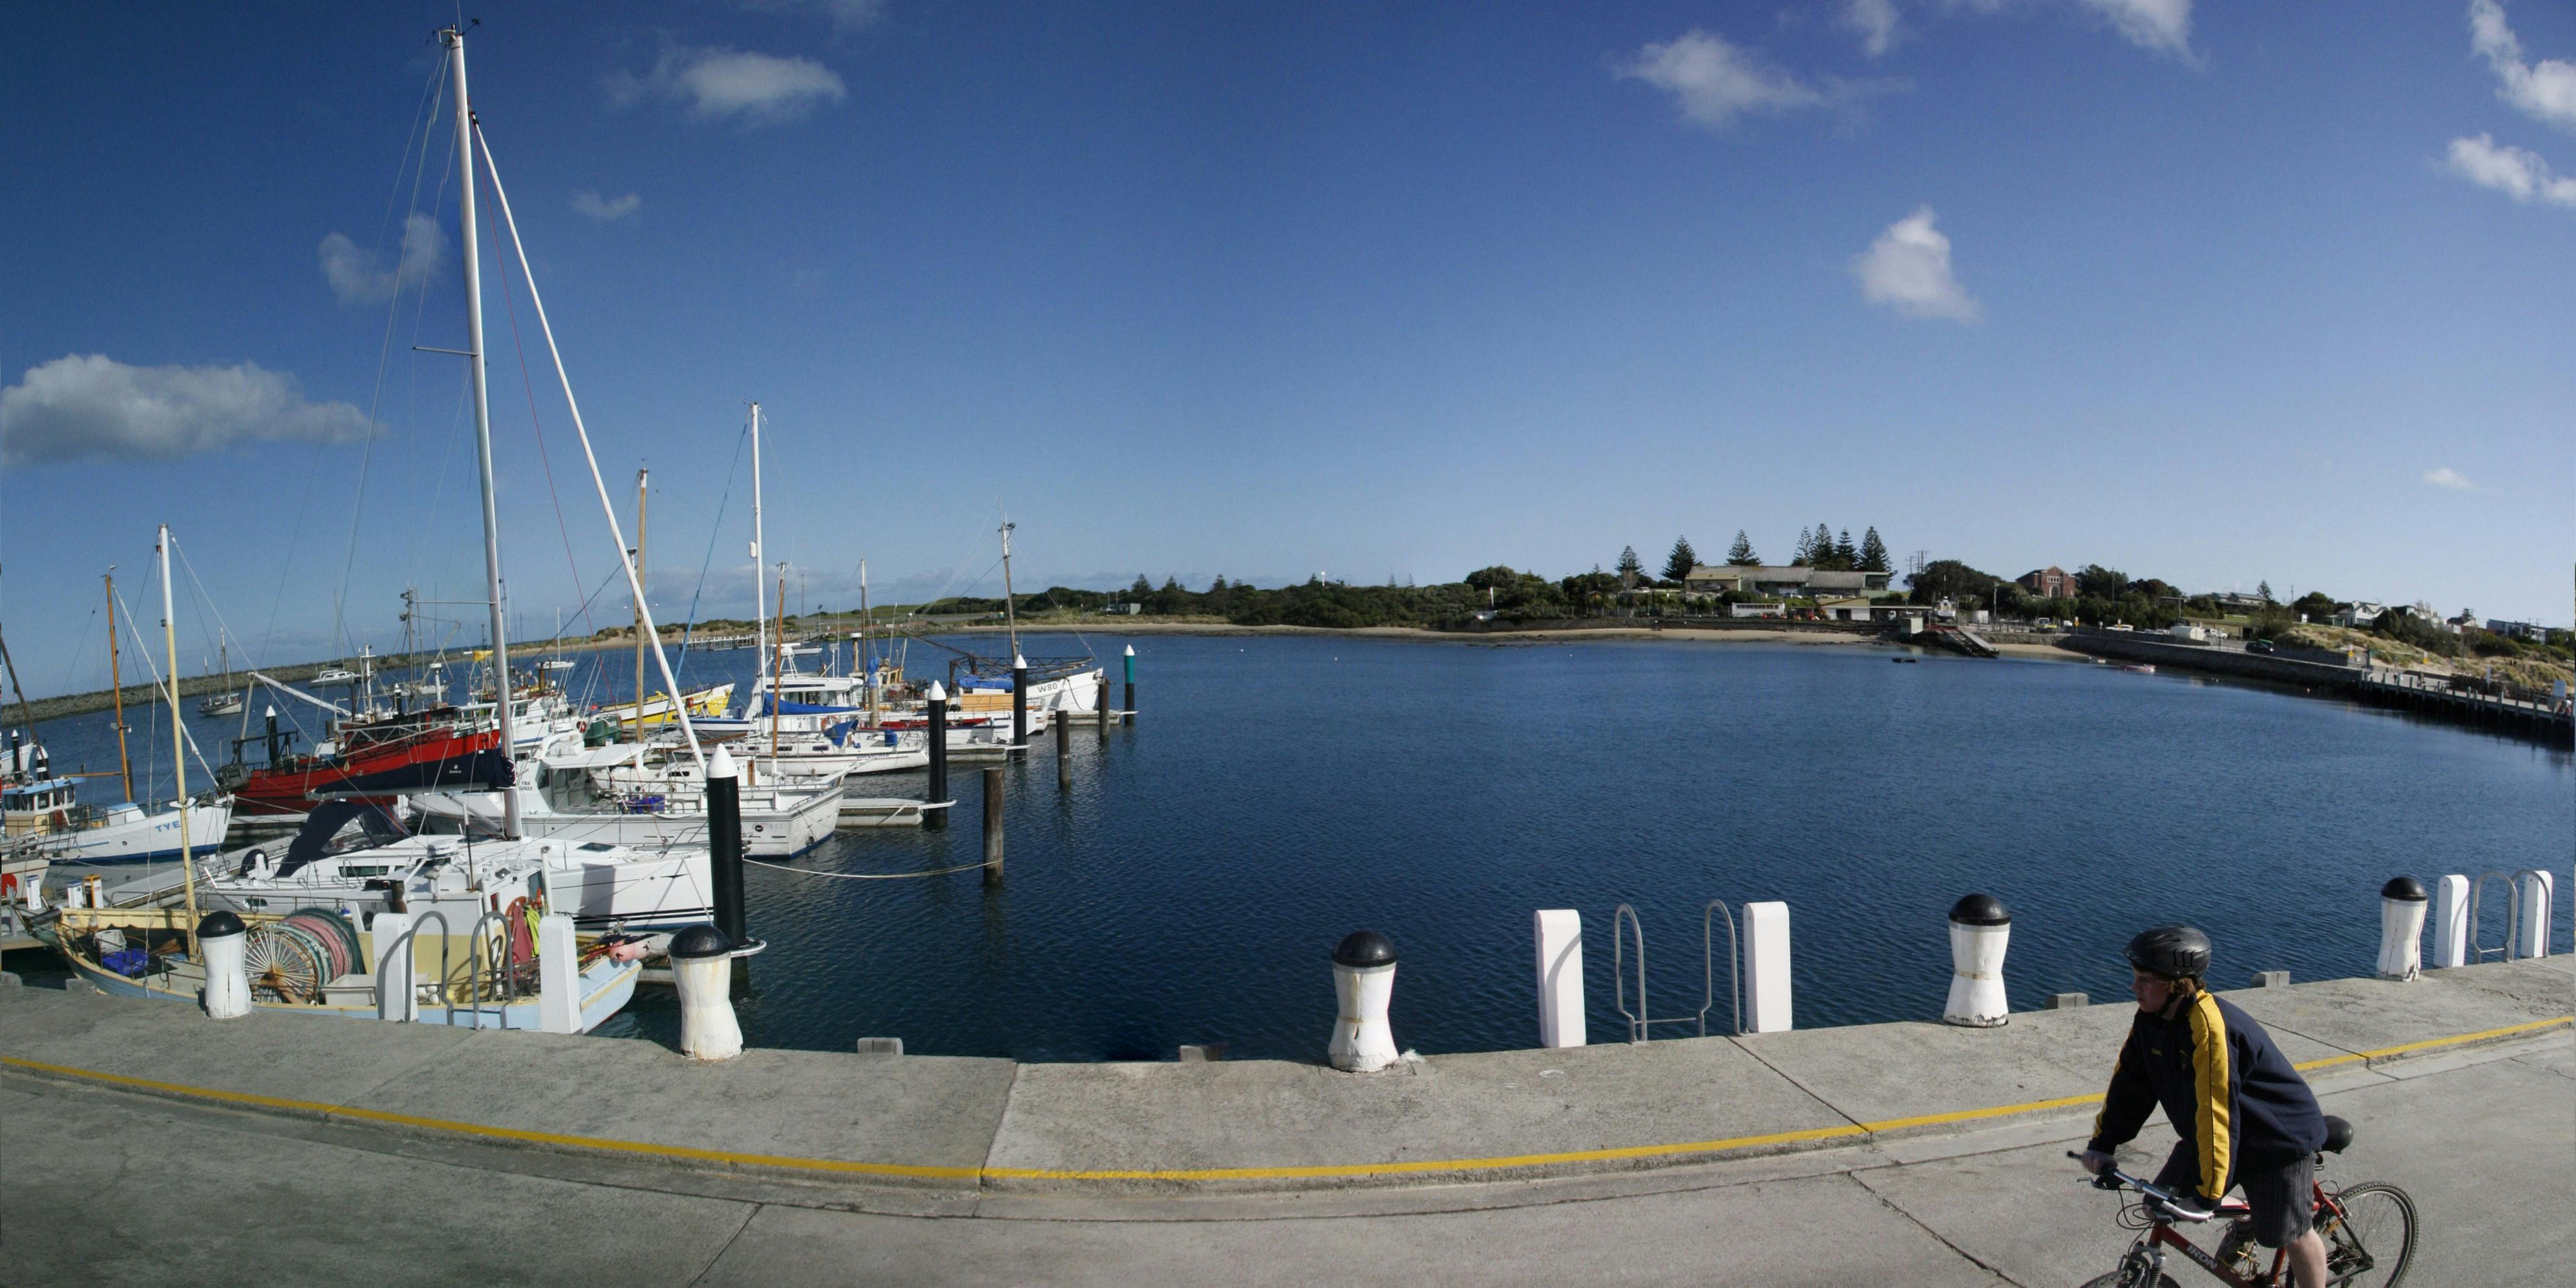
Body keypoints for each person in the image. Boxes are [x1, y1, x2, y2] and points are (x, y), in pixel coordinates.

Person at [2077, 926, 2331, 1287]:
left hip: (2276, 1141)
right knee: (2157, 1206)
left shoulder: (2210, 1031)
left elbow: (2217, 1115)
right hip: (2218, 1139)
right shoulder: (2152, 1020)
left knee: (2289, 1233)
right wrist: (2103, 1144)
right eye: (2135, 978)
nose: (2134, 988)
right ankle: (2246, 1221)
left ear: (2177, 985)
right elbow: (2129, 1085)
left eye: (2145, 980)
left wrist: (2208, 1195)